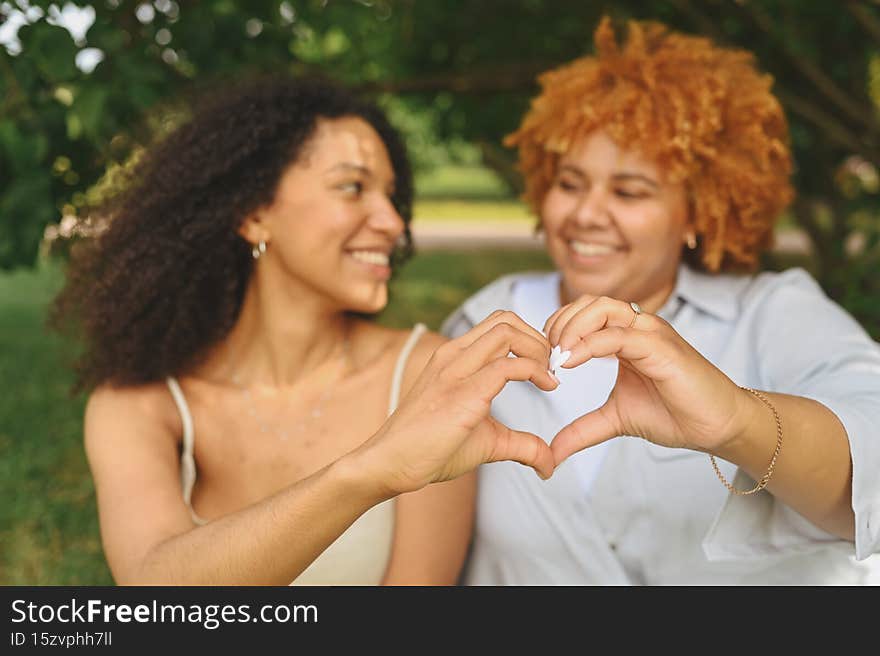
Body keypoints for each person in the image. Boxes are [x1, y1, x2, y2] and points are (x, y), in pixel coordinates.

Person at [50, 76, 558, 585]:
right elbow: (153, 587)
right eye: (352, 187)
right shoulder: (140, 401)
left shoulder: (427, 376)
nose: (392, 223)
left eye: (392, 196)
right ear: (253, 214)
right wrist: (369, 471)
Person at [443, 17, 880, 584]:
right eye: (570, 183)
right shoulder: (480, 323)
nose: (587, 214)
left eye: (630, 191)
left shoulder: (773, 314)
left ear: (699, 211)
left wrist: (737, 420)